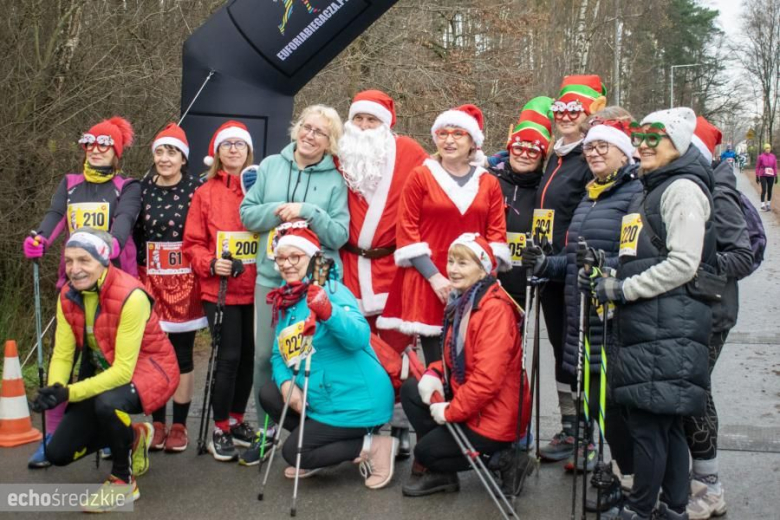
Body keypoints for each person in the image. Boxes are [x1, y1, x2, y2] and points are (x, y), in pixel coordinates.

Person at [592, 108, 715, 520]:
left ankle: (641, 510)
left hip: (666, 325)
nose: (642, 144)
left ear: (677, 145)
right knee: (664, 426)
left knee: (648, 426)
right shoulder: (655, 186)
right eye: (639, 136)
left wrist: (622, 289)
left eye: (653, 138)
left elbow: (683, 263)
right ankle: (673, 509)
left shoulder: (680, 189)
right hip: (651, 323)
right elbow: (643, 254)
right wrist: (610, 269)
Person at [525, 115, 641, 501]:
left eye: (601, 147)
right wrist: (545, 264)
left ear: (623, 154)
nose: (592, 152)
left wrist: (606, 270)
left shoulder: (634, 194)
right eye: (589, 147)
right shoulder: (593, 194)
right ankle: (621, 476)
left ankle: (632, 484)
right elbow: (575, 258)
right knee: (595, 397)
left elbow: (634, 258)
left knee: (615, 408)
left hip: (610, 316)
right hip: (582, 313)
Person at [30, 228, 179, 512]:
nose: (75, 269)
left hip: (151, 369)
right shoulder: (67, 295)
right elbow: (62, 353)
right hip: (104, 371)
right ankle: (134, 437)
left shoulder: (131, 295)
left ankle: (123, 482)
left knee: (107, 403)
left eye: (84, 260)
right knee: (57, 453)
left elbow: (123, 371)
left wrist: (69, 393)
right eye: (70, 260)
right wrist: (57, 387)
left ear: (103, 260)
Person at [23, 116, 142, 469]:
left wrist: (110, 246)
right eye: (89, 143)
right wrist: (39, 239)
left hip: (115, 285)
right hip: (74, 283)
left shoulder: (127, 185)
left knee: (107, 361)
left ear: (116, 152)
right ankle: (53, 437)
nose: (95, 150)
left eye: (104, 144)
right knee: (65, 358)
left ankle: (111, 433)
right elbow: (56, 215)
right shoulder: (70, 183)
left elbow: (124, 222)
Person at [239, 105, 348, 465]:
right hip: (271, 277)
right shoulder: (270, 165)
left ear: (329, 141)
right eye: (306, 127)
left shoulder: (335, 180)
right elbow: (247, 214)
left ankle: (312, 430)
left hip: (316, 280)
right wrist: (280, 208)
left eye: (319, 131)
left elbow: (339, 234)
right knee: (262, 357)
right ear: (296, 129)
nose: (309, 135)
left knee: (309, 357)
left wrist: (309, 211)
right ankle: (267, 430)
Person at [259, 222, 396, 488]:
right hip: (322, 398)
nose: (286, 264)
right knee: (270, 393)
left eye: (294, 257)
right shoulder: (286, 301)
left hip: (356, 401)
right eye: (281, 258)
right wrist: (287, 384)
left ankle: (374, 445)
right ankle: (323, 446)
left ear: (311, 259)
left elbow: (359, 337)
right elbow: (278, 355)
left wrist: (328, 311)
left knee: (293, 453)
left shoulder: (332, 291)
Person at [377, 104, 510, 364]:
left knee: (472, 360)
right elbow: (407, 231)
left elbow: (496, 236)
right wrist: (435, 278)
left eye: (458, 134)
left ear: (473, 141)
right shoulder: (421, 176)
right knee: (438, 364)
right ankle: (437, 405)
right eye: (443, 133)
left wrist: (481, 280)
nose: (449, 140)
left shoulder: (489, 182)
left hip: (475, 282)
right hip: (431, 282)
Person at [400, 233, 529, 496]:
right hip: (472, 401)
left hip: (494, 416)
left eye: (463, 263)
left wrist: (451, 411)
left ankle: (506, 459)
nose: (453, 270)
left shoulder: (494, 310)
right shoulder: (465, 301)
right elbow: (452, 357)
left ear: (483, 270)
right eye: (451, 261)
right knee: (412, 391)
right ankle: (445, 473)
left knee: (425, 452)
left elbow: (487, 380)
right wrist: (434, 373)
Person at [338, 90, 429, 459]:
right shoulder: (339, 151)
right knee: (355, 348)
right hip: (347, 266)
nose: (363, 127)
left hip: (392, 268)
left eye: (371, 120)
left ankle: (399, 424)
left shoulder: (410, 153)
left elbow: (433, 195)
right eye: (358, 119)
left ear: (386, 123)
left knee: (397, 349)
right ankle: (363, 423)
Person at [535, 75, 608, 463]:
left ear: (589, 112)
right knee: (559, 348)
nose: (565, 116)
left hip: (574, 269)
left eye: (573, 109)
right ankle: (569, 429)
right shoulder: (557, 153)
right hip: (550, 270)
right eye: (559, 109)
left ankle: (588, 434)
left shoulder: (590, 155)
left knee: (580, 353)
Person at [685, 117, 754, 519]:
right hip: (688, 307)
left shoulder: (718, 187)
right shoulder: (681, 182)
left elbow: (741, 256)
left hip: (713, 310)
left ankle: (710, 487)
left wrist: (689, 261)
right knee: (687, 391)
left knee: (696, 393)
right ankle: (691, 482)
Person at [183, 120, 258, 462]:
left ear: (248, 151)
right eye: (226, 144)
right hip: (220, 289)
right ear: (216, 152)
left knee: (249, 358)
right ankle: (220, 427)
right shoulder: (205, 191)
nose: (233, 149)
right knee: (228, 356)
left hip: (257, 288)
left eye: (239, 144)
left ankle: (240, 420)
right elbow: (192, 243)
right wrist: (212, 263)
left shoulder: (260, 188)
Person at [134, 123, 206, 452]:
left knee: (181, 354)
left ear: (183, 158)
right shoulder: (142, 189)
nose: (165, 158)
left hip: (185, 281)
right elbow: (132, 233)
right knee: (151, 353)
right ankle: (157, 422)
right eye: (160, 151)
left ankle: (179, 424)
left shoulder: (196, 188)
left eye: (172, 152)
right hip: (150, 279)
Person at [489, 96, 554, 307]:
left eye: (533, 151)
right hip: (484, 281)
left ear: (542, 156)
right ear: (509, 149)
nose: (524, 155)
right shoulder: (489, 180)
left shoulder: (545, 190)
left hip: (522, 286)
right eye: (518, 148)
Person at [755, 143, 777, 211]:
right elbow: (757, 167)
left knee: (769, 190)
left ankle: (768, 204)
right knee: (764, 190)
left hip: (771, 175)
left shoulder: (773, 156)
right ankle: (762, 205)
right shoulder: (761, 157)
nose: (768, 149)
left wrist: (776, 176)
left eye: (769, 148)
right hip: (763, 175)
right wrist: (757, 175)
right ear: (764, 149)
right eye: (766, 148)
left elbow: (775, 166)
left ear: (770, 149)